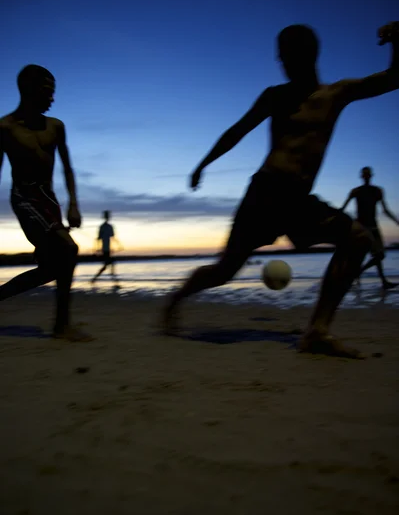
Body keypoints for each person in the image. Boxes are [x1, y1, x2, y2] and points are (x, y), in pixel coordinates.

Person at [162, 21, 399, 358]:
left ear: (309, 55)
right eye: (281, 57)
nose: (283, 63)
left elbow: (393, 78)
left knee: (358, 239)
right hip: (264, 194)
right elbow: (237, 131)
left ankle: (317, 331)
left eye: (288, 56)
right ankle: (175, 299)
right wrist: (203, 164)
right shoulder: (275, 96)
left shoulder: (337, 94)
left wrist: (397, 41)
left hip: (297, 199)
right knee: (225, 270)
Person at [0, 64, 93, 341]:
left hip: (49, 201)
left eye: (53, 93)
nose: (52, 99)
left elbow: (67, 168)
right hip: (24, 198)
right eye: (47, 92)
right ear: (28, 90)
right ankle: (61, 326)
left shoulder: (56, 127)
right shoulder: (4, 128)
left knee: (53, 268)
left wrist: (74, 203)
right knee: (68, 248)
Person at [341, 167, 399, 290]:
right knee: (377, 255)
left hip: (373, 226)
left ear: (371, 176)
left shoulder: (377, 191)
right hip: (361, 227)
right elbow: (343, 208)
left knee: (379, 255)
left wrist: (396, 220)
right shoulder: (355, 191)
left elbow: (385, 209)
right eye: (365, 175)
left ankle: (376, 279)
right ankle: (366, 275)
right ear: (362, 177)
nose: (366, 177)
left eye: (368, 175)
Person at [91, 210, 121, 283]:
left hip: (108, 249)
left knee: (107, 265)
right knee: (108, 264)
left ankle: (95, 279)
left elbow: (112, 237)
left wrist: (119, 245)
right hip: (105, 250)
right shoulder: (102, 227)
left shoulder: (109, 227)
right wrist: (97, 248)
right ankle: (114, 280)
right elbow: (98, 238)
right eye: (107, 216)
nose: (107, 218)